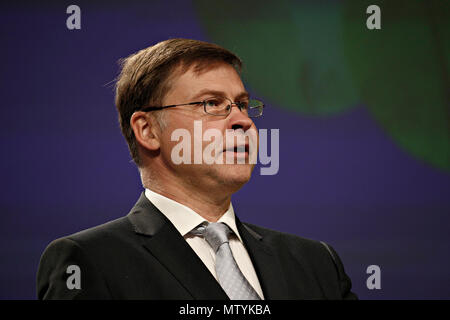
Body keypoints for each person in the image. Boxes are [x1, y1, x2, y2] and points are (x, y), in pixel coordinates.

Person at [36, 38, 357, 300]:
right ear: (147, 130)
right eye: (211, 104)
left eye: (242, 105)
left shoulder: (316, 264)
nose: (242, 121)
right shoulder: (90, 261)